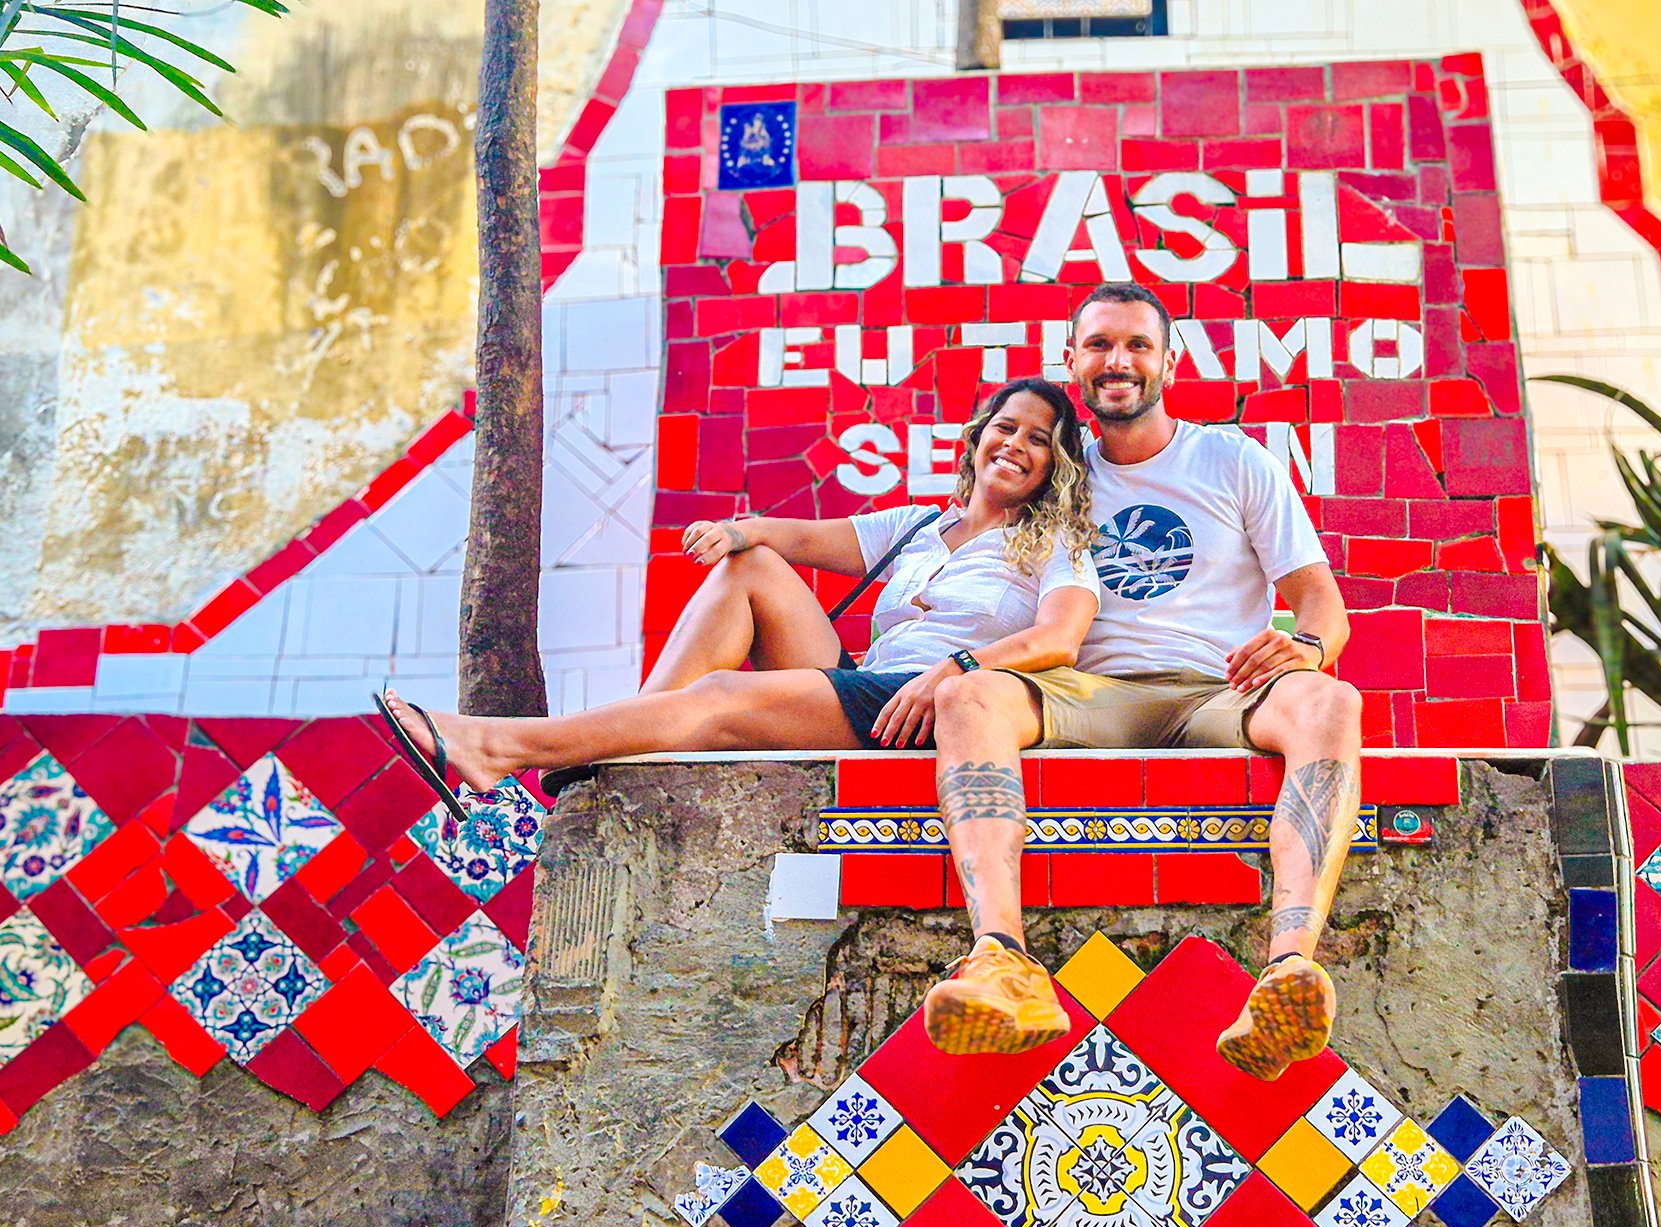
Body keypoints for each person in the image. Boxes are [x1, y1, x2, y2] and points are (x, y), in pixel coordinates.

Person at [919, 283, 1365, 1081]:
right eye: (1098, 346)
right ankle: (1005, 965)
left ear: (1169, 360)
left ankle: (1289, 970)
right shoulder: (1059, 475)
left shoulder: (1232, 458)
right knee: (967, 694)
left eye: (1135, 345)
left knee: (1332, 701)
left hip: (1218, 689)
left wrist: (1306, 647)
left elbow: (1322, 602)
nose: (1116, 362)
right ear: (1072, 361)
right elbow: (973, 539)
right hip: (1089, 693)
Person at [374, 377, 1100, 815]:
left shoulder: (1057, 542)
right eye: (1006, 427)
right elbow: (797, 537)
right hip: (864, 684)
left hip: (925, 706)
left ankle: (495, 746)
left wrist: (959, 670)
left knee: (723, 692)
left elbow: (1059, 640)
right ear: (977, 438)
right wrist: (731, 530)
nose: (1016, 444)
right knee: (747, 567)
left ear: (1054, 464)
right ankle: (630, 738)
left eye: (1039, 440)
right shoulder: (915, 522)